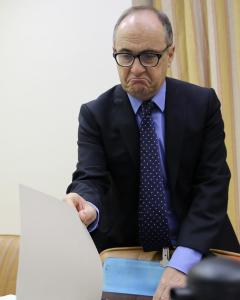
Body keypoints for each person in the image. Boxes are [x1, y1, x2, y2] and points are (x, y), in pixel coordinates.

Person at [65, 6, 240, 300]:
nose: (135, 68)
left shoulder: (202, 104)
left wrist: (182, 263)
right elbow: (90, 177)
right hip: (130, 256)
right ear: (115, 52)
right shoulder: (95, 114)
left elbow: (213, 185)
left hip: (201, 249)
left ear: (169, 54)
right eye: (125, 56)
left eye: (149, 56)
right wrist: (88, 207)